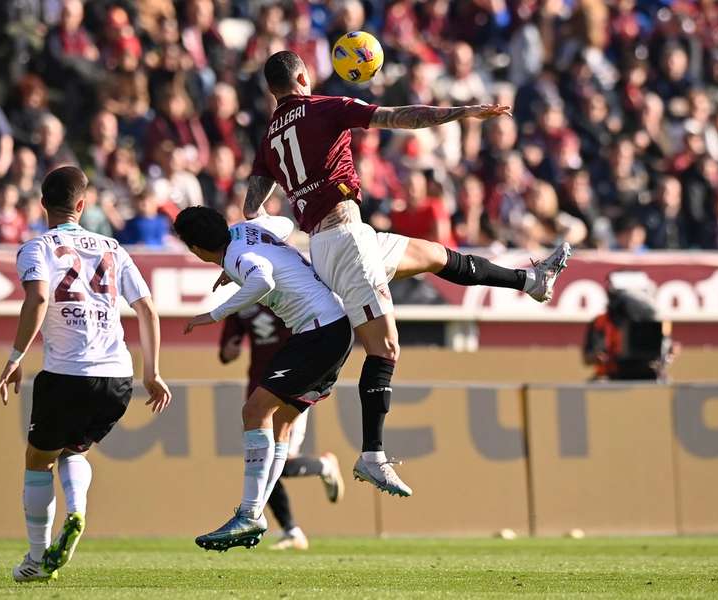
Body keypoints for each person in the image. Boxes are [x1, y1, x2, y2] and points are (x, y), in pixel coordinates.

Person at [240, 51, 572, 497]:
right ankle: (372, 454)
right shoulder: (323, 106)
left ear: (271, 89)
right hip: (345, 239)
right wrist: (463, 113)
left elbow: (251, 206)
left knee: (435, 255)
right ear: (303, 76)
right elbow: (399, 117)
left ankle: (530, 282)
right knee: (386, 346)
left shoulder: (268, 138)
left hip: (337, 237)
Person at [0, 166, 172, 582]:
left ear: (42, 205)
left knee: (38, 459)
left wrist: (16, 357)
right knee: (75, 449)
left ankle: (37, 559)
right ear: (82, 205)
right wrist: (153, 373)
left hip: (66, 372)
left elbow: (38, 297)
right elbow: (146, 308)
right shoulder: (112, 246)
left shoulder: (36, 247)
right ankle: (76, 512)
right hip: (117, 377)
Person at [176, 206, 352, 552]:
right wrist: (250, 257)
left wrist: (214, 314)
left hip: (318, 333)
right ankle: (253, 512)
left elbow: (263, 280)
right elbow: (284, 224)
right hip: (330, 328)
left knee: (254, 412)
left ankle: (249, 514)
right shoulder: (243, 233)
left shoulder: (236, 255)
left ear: (195, 249)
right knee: (281, 423)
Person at [218, 304, 344, 551]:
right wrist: (228, 350)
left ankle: (325, 466)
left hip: (291, 387)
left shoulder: (285, 289)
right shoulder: (240, 301)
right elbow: (226, 349)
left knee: (279, 463)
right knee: (261, 464)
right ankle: (292, 531)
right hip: (257, 394)